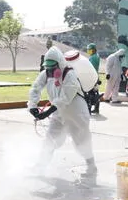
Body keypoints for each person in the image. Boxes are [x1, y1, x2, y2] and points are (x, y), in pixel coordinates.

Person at [27, 46, 97, 184]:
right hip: (58, 113)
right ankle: (40, 167)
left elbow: (66, 97)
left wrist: (48, 111)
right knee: (50, 140)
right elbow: (35, 88)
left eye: (53, 67)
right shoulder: (46, 73)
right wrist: (33, 106)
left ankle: (91, 166)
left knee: (81, 140)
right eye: (48, 67)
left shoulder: (69, 74)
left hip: (76, 113)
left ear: (60, 63)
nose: (51, 71)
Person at [86, 43, 101, 114]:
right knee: (96, 92)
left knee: (90, 92)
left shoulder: (92, 57)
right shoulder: (96, 56)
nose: (89, 51)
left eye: (90, 50)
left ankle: (89, 109)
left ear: (94, 50)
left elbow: (90, 68)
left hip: (92, 77)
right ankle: (96, 108)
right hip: (96, 76)